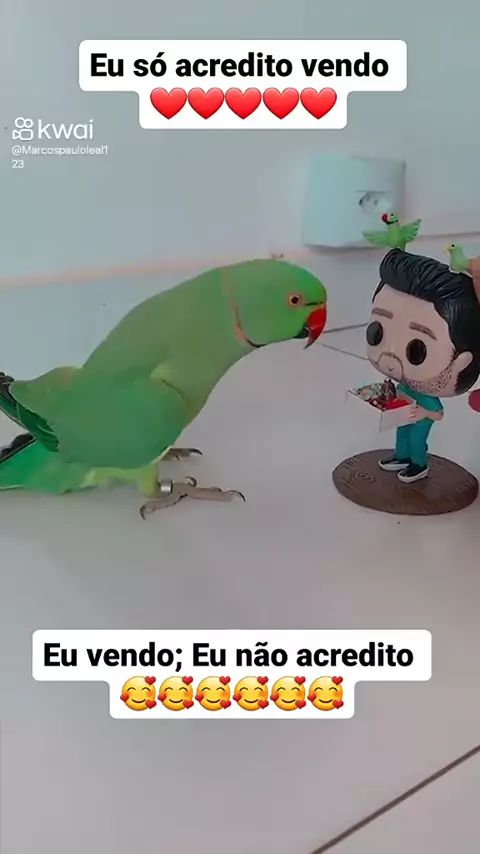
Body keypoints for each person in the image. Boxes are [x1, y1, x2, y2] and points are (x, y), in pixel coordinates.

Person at [366, 248, 480, 483]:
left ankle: (418, 464)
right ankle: (401, 456)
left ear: (462, 361)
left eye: (416, 351)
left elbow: (438, 413)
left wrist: (424, 413)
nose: (391, 356)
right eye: (377, 333)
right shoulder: (407, 386)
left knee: (417, 440)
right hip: (405, 415)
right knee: (402, 435)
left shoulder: (427, 396)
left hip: (420, 418)